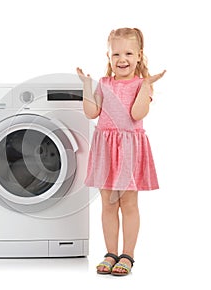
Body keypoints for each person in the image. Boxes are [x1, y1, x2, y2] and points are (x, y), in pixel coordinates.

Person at [77, 27, 165, 276]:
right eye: (116, 54)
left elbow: (137, 114)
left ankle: (127, 255)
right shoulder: (104, 84)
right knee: (107, 203)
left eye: (128, 53)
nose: (122, 59)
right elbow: (91, 112)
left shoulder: (140, 85)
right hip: (106, 148)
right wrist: (86, 86)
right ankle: (110, 253)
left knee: (128, 203)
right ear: (109, 57)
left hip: (128, 149)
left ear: (139, 56)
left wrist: (146, 85)